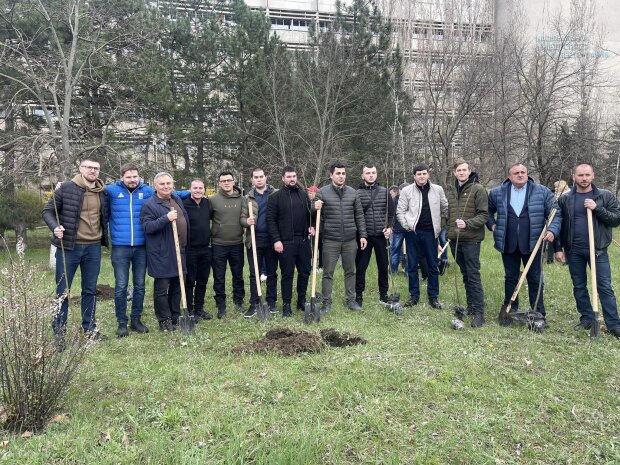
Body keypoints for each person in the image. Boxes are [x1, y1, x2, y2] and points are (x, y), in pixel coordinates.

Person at [43, 157, 110, 341]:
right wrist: (55, 227)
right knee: (63, 291)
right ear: (81, 169)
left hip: (93, 247)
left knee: (90, 290)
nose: (92, 171)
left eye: (96, 168)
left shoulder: (102, 192)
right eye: (89, 167)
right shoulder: (66, 188)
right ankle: (59, 331)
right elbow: (48, 211)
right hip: (69, 247)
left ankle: (89, 329)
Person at [487, 163, 561, 326]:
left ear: (527, 174)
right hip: (508, 243)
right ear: (509, 176)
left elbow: (556, 213)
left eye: (523, 172)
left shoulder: (541, 191)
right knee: (510, 277)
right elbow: (487, 212)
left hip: (533, 243)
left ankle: (538, 313)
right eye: (516, 173)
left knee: (535, 278)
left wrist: (552, 230)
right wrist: (492, 225)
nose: (520, 175)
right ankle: (510, 310)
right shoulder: (498, 192)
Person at [554, 163, 620, 338]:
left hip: (598, 250)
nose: (584, 178)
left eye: (587, 175)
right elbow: (559, 224)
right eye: (581, 175)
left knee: (604, 287)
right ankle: (587, 318)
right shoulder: (565, 199)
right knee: (579, 286)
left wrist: (597, 208)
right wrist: (558, 248)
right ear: (573, 176)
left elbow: (616, 219)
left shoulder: (604, 196)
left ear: (593, 175)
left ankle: (614, 324)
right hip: (574, 250)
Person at [314, 162, 367, 313]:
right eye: (338, 173)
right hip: (330, 240)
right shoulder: (322, 192)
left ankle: (351, 300)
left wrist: (362, 235)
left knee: (350, 271)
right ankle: (326, 302)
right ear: (331, 175)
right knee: (328, 273)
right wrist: (315, 207)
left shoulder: (353, 193)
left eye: (343, 173)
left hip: (350, 239)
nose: (341, 176)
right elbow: (312, 213)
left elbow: (359, 215)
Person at [141, 172, 190, 331]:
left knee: (177, 285)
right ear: (155, 186)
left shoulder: (175, 199)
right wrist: (166, 218)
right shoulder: (150, 205)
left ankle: (175, 316)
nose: (166, 186)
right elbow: (147, 227)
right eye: (162, 184)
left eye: (168, 183)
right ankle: (164, 320)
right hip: (162, 253)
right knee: (162, 289)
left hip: (179, 250)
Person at [396, 163, 448, 308]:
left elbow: (445, 208)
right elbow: (400, 210)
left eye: (424, 173)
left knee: (433, 265)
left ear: (428, 174)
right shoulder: (406, 191)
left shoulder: (437, 190)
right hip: (412, 233)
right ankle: (414, 296)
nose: (422, 176)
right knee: (412, 265)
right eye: (419, 174)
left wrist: (442, 225)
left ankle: (433, 297)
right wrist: (407, 226)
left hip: (431, 233)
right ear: (414, 176)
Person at [267, 166, 315, 317]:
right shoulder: (275, 197)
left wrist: (311, 226)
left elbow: (309, 216)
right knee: (287, 274)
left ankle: (301, 300)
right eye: (288, 177)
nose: (292, 179)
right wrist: (276, 240)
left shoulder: (303, 195)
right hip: (286, 242)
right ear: (283, 178)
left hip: (303, 241)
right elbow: (271, 221)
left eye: (294, 176)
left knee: (305, 272)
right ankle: (286, 304)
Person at [446, 159, 488, 327]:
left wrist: (467, 223)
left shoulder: (478, 189)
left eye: (464, 170)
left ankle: (479, 313)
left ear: (469, 171)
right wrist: (447, 231)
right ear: (454, 173)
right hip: (455, 240)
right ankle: (470, 307)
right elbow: (448, 214)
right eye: (459, 170)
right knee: (465, 274)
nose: (462, 172)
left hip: (471, 240)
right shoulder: (451, 191)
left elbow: (484, 215)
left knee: (473, 274)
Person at [240, 168, 278, 318]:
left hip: (272, 238)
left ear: (266, 177)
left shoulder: (275, 194)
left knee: (272, 272)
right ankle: (254, 303)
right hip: (255, 239)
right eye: (256, 177)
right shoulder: (247, 198)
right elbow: (242, 218)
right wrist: (246, 221)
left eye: (261, 176)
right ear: (252, 179)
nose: (259, 179)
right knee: (254, 273)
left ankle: (271, 301)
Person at [355, 162, 394, 306]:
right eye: (368, 173)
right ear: (362, 176)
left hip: (381, 236)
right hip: (364, 237)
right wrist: (360, 234)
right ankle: (358, 295)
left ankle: (384, 294)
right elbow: (355, 215)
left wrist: (390, 227)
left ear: (376, 174)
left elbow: (391, 213)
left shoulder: (385, 191)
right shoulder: (357, 194)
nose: (371, 175)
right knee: (361, 267)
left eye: (373, 173)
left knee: (383, 266)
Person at [209, 171, 245, 319]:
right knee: (219, 276)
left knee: (238, 275)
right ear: (219, 183)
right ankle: (221, 305)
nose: (226, 183)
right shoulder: (212, 200)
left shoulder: (242, 199)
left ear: (233, 181)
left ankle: (239, 300)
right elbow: (207, 218)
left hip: (237, 243)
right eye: (223, 181)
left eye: (229, 180)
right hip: (218, 244)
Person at [182, 179, 213, 322]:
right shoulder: (184, 204)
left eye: (200, 188)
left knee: (202, 280)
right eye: (195, 188)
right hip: (190, 249)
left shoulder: (207, 204)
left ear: (204, 190)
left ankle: (199, 309)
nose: (198, 190)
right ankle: (189, 310)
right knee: (190, 281)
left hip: (206, 248)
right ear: (190, 189)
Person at [389, 186, 406, 274]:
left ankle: (407, 270)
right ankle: (393, 270)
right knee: (395, 250)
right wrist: (391, 226)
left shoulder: (412, 199)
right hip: (398, 228)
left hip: (409, 228)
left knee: (410, 251)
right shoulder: (394, 200)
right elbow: (392, 214)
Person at [307, 186, 323, 271]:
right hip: (313, 230)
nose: (309, 194)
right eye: (308, 193)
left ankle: (321, 266)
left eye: (311, 193)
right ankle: (313, 265)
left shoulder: (319, 203)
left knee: (321, 248)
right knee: (313, 249)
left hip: (321, 230)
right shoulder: (308, 203)